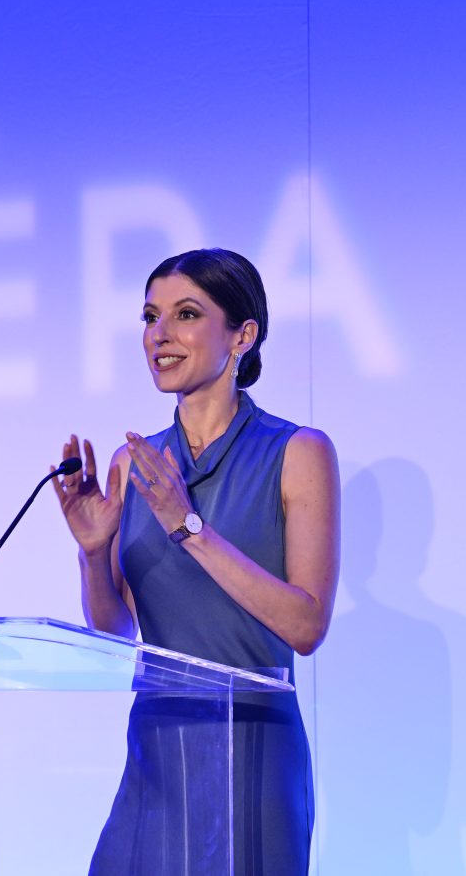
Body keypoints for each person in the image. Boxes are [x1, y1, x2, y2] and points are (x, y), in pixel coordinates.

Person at [52, 248, 340, 875]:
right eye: (150, 317)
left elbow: (306, 626)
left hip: (252, 746)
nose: (160, 334)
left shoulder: (298, 452)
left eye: (186, 314)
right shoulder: (136, 464)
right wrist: (94, 554)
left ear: (243, 334)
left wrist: (189, 526)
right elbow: (113, 631)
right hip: (156, 746)